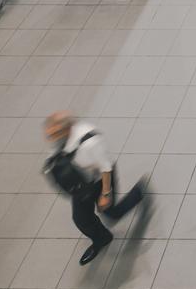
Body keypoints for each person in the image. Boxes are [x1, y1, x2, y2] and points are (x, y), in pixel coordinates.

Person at [43, 110, 149, 265]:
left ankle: (138, 192)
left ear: (66, 129)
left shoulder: (90, 140)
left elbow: (105, 167)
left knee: (111, 213)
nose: (51, 138)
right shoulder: (61, 141)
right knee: (81, 219)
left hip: (100, 180)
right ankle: (102, 238)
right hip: (80, 183)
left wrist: (106, 193)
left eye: (54, 133)